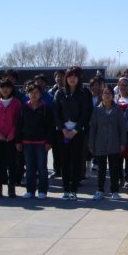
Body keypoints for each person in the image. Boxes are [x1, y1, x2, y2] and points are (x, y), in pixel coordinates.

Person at [53, 66, 90, 200]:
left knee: (76, 160)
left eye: (75, 76)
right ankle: (65, 189)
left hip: (77, 132)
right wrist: (63, 129)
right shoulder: (60, 93)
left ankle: (74, 189)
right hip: (62, 132)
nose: (72, 79)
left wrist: (75, 130)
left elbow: (85, 114)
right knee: (64, 161)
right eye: (70, 76)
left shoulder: (83, 94)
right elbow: (56, 113)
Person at [16, 83, 54, 199]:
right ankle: (30, 190)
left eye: (36, 92)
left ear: (41, 94)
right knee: (29, 168)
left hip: (41, 142)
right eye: (31, 93)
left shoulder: (45, 107)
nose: (34, 95)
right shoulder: (24, 107)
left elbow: (50, 126)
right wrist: (18, 141)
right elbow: (19, 125)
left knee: (42, 167)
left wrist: (49, 142)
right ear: (28, 94)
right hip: (26, 142)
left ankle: (42, 190)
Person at [89, 85, 127, 200]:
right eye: (105, 93)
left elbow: (122, 127)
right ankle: (100, 190)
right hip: (100, 142)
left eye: (109, 93)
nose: (107, 95)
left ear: (113, 95)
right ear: (101, 95)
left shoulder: (117, 109)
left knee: (114, 168)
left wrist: (122, 143)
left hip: (114, 142)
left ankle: (114, 191)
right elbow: (93, 128)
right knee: (101, 169)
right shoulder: (97, 110)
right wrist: (91, 144)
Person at [0, 78, 22, 199]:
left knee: (11, 163)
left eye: (7, 87)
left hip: (11, 138)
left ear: (11, 88)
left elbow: (18, 121)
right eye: (2, 87)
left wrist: (12, 134)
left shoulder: (16, 103)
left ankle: (11, 188)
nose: (5, 89)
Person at [115, 77, 128, 187]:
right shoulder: (114, 98)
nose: (123, 87)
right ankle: (119, 177)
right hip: (116, 131)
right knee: (117, 155)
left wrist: (126, 127)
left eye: (125, 85)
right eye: (121, 85)